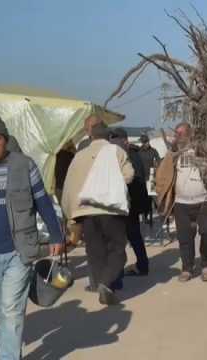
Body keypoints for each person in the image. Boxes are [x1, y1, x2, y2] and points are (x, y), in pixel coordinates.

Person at [0, 114, 64, 359]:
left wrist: (57, 236)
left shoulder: (24, 165)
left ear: (5, 140)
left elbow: (44, 204)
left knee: (12, 309)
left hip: (19, 251)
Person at [62, 122, 134, 305]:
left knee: (95, 251)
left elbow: (69, 187)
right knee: (117, 249)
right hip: (111, 209)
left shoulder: (79, 156)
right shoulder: (117, 151)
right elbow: (129, 175)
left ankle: (100, 284)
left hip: (86, 211)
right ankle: (106, 283)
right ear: (108, 136)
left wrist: (71, 215)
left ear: (91, 136)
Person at [156, 122, 207, 282]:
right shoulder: (173, 154)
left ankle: (205, 265)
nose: (178, 137)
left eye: (182, 133)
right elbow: (163, 175)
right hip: (181, 203)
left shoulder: (203, 151)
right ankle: (187, 269)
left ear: (190, 134)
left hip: (204, 200)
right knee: (184, 238)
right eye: (177, 134)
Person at [110, 128, 151, 277]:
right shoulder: (132, 153)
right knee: (133, 237)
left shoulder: (128, 155)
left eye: (116, 141)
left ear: (124, 141)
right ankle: (141, 265)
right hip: (130, 203)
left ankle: (124, 270)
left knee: (126, 238)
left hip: (128, 203)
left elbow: (132, 179)